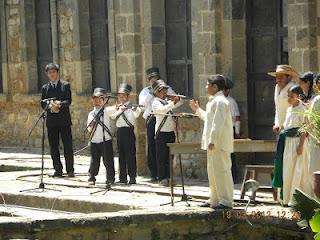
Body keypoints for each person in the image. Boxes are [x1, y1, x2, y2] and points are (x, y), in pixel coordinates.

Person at [189, 74, 234, 209]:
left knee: (221, 171)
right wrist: (197, 110)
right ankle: (215, 199)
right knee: (213, 172)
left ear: (215, 87)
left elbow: (218, 123)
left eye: (208, 84)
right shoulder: (214, 101)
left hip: (218, 144)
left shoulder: (220, 101)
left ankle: (226, 200)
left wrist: (213, 140)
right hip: (213, 144)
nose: (206, 87)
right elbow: (210, 120)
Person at [272, 85, 312, 205]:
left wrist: (300, 145)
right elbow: (287, 125)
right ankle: (287, 198)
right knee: (288, 169)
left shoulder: (303, 109)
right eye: (288, 96)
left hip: (297, 142)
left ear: (299, 97)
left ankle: (299, 199)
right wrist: (280, 127)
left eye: (291, 96)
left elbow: (305, 128)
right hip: (287, 143)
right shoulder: (289, 109)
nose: (289, 99)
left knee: (298, 169)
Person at [139, 67, 175, 182]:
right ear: (148, 80)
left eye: (156, 79)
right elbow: (142, 105)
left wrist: (169, 97)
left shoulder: (166, 88)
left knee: (164, 149)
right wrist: (152, 93)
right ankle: (154, 172)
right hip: (151, 118)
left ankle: (165, 174)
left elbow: (175, 99)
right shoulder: (145, 91)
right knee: (152, 146)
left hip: (164, 118)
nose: (154, 82)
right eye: (152, 80)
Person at [41, 63, 74, 178]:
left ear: (57, 73)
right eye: (50, 72)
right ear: (47, 74)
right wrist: (50, 106)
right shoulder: (45, 88)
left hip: (64, 120)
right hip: (52, 122)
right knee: (53, 146)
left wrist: (59, 104)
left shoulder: (65, 85)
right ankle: (58, 170)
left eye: (54, 72)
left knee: (67, 146)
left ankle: (70, 170)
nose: (52, 74)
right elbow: (43, 103)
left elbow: (68, 101)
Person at [151, 80, 182, 186]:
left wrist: (175, 98)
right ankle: (162, 178)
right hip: (161, 133)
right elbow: (162, 111)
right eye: (162, 91)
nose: (164, 92)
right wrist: (173, 102)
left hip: (170, 132)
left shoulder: (168, 102)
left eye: (165, 90)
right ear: (157, 92)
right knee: (161, 157)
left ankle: (169, 177)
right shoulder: (155, 102)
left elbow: (180, 103)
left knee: (170, 157)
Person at [110, 83, 141, 184]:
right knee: (121, 155)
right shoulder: (117, 107)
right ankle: (122, 177)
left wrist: (134, 109)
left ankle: (132, 177)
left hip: (128, 131)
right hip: (120, 132)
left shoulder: (132, 106)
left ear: (127, 96)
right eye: (120, 96)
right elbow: (113, 117)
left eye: (123, 96)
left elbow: (137, 114)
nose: (121, 98)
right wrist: (120, 110)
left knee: (130, 155)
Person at [87, 88, 116, 186]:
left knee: (108, 161)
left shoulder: (107, 111)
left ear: (104, 101)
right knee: (94, 160)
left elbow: (115, 109)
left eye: (100, 100)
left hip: (105, 140)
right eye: (95, 100)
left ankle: (110, 178)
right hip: (94, 141)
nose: (97, 102)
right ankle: (92, 176)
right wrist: (92, 123)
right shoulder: (91, 114)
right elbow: (89, 129)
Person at [268, 65, 298, 134]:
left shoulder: (293, 88)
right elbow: (278, 107)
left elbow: (295, 109)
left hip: (291, 127)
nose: (278, 80)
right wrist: (277, 124)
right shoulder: (276, 88)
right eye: (277, 77)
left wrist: (286, 125)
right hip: (280, 128)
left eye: (281, 77)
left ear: (289, 77)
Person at [223, 78, 240, 183]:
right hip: (223, 130)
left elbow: (237, 117)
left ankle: (233, 177)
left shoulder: (231, 102)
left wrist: (237, 131)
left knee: (230, 155)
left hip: (230, 130)